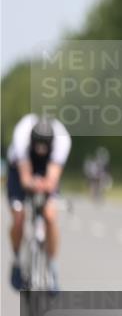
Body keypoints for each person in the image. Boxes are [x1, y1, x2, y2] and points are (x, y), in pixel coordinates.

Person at [6, 114, 72, 290]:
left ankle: (52, 266)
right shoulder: (21, 136)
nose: (41, 150)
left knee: (50, 216)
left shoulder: (62, 141)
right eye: (38, 147)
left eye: (45, 147)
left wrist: (46, 185)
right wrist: (32, 184)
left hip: (46, 167)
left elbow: (53, 175)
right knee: (19, 216)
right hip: (19, 167)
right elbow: (24, 178)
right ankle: (17, 260)